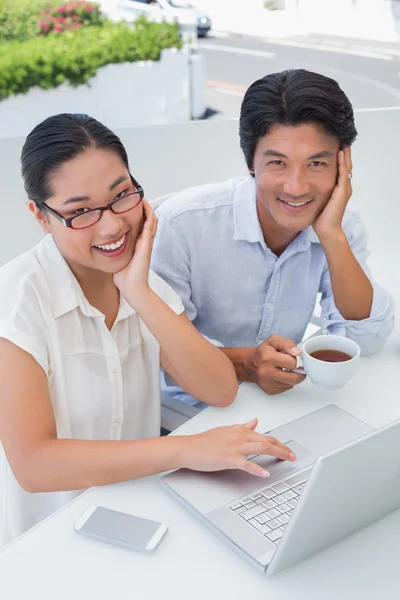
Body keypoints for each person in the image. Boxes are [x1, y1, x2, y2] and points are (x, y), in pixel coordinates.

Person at [0, 114, 297, 548]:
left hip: (138, 518)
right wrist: (184, 449)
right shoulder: (17, 298)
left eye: (122, 196)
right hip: (48, 539)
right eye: (80, 211)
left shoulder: (138, 280)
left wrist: (137, 290)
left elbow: (218, 389)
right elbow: (35, 465)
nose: (112, 226)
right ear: (41, 217)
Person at [151, 69, 395, 406]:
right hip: (187, 411)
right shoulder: (183, 225)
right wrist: (246, 365)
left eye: (317, 164)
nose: (296, 187)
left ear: (342, 163)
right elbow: (154, 350)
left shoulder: (337, 224)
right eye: (278, 162)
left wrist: (331, 236)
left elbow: (366, 340)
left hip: (280, 409)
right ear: (251, 161)